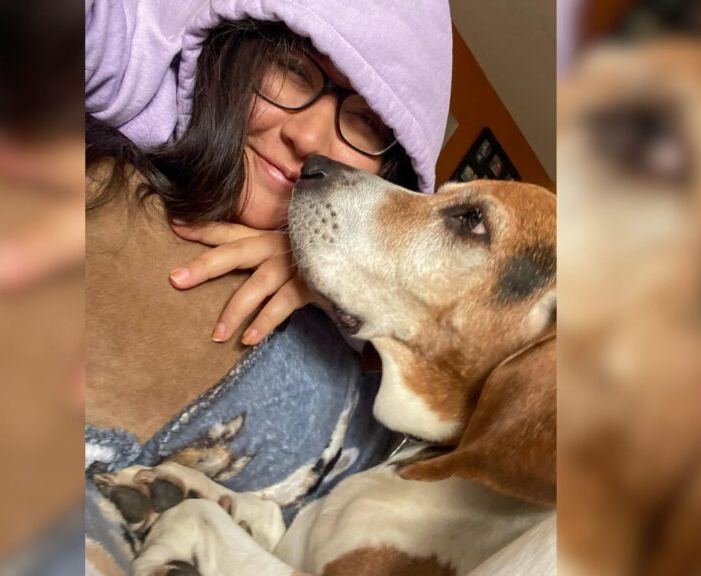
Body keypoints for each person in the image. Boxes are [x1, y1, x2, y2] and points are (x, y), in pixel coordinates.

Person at [83, 1, 451, 571]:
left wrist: (328, 271)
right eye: (294, 70)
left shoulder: (357, 299)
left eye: (367, 121)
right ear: (235, 46)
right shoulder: (134, 70)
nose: (308, 137)